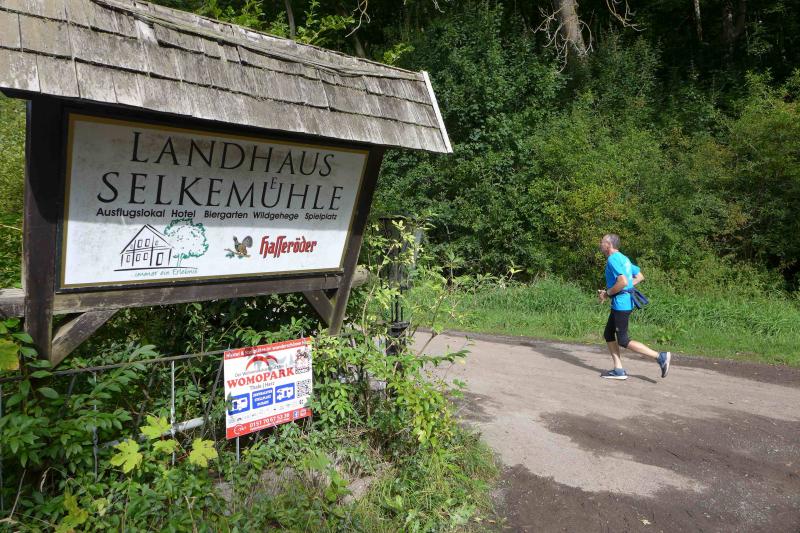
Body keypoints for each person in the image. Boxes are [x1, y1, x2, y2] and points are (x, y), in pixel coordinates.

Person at [597, 234, 671, 380]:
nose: (600, 244)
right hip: (624, 302)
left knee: (623, 340)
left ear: (609, 245)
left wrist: (607, 293)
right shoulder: (624, 258)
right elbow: (639, 276)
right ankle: (618, 370)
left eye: (602, 242)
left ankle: (660, 357)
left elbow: (623, 282)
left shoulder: (612, 259)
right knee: (609, 334)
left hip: (621, 304)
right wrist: (623, 288)